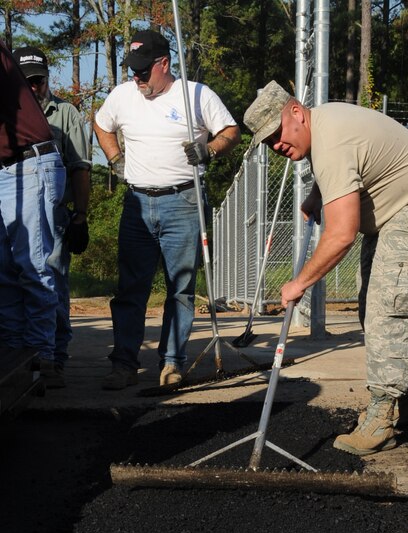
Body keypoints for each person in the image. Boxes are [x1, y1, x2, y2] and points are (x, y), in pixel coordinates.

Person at [244, 81, 408, 456]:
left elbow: (341, 234)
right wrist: (317, 195)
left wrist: (300, 283)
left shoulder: (331, 141)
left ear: (296, 112)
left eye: (277, 133)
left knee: (386, 311)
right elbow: (350, 170)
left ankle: (381, 419)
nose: (276, 144)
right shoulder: (323, 126)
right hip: (395, 216)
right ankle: (406, 400)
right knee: (370, 308)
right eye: (268, 142)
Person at [94, 30, 240, 390]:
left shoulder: (196, 94)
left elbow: (231, 131)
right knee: (131, 287)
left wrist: (211, 150)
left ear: (164, 64)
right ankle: (124, 364)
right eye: (133, 71)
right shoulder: (123, 95)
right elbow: (100, 123)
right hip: (138, 204)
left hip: (184, 202)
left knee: (180, 288)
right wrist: (115, 158)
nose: (137, 79)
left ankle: (172, 362)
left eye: (144, 71)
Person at [13, 46, 92, 388]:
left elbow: (81, 168)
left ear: (46, 79)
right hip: (15, 213)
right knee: (15, 285)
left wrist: (81, 215)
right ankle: (20, 356)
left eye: (39, 81)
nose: (34, 88)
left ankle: (54, 358)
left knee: (53, 282)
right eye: (26, 82)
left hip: (55, 215)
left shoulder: (65, 114)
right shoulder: (8, 114)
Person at [0, 40, 66, 385]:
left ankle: (44, 358)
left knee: (32, 266)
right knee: (5, 271)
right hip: (7, 169)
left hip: (28, 164)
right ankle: (15, 358)